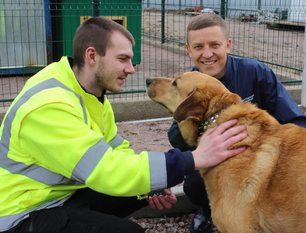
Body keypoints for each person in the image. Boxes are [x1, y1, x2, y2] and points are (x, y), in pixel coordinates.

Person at [0, 16, 248, 233]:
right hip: (23, 213)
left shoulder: (89, 93)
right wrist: (192, 160)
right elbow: (105, 169)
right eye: (123, 59)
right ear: (92, 56)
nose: (131, 69)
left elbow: (116, 150)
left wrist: (151, 186)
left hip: (60, 195)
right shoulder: (49, 105)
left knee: (142, 189)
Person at [168, 13, 306, 233]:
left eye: (214, 44)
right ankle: (211, 213)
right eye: (198, 47)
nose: (207, 54)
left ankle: (268, 213)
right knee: (195, 184)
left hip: (260, 161)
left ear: (228, 45)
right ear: (189, 50)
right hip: (217, 161)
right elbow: (176, 139)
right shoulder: (188, 84)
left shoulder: (256, 73)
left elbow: (297, 121)